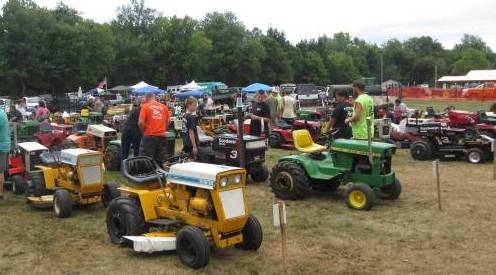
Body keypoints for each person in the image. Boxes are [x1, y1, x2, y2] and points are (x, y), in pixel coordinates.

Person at [138, 93, 170, 165]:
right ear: (154, 98)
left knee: (146, 158)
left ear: (146, 98)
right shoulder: (164, 107)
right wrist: (163, 129)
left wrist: (143, 132)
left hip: (149, 135)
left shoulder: (145, 106)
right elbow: (168, 121)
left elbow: (140, 123)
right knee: (161, 158)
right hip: (162, 135)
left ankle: (147, 174)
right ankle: (161, 173)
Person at [0, 108, 10, 200]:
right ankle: (1, 193)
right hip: (5, 145)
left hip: (1, 145)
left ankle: (0, 193)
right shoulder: (2, 112)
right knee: (1, 171)